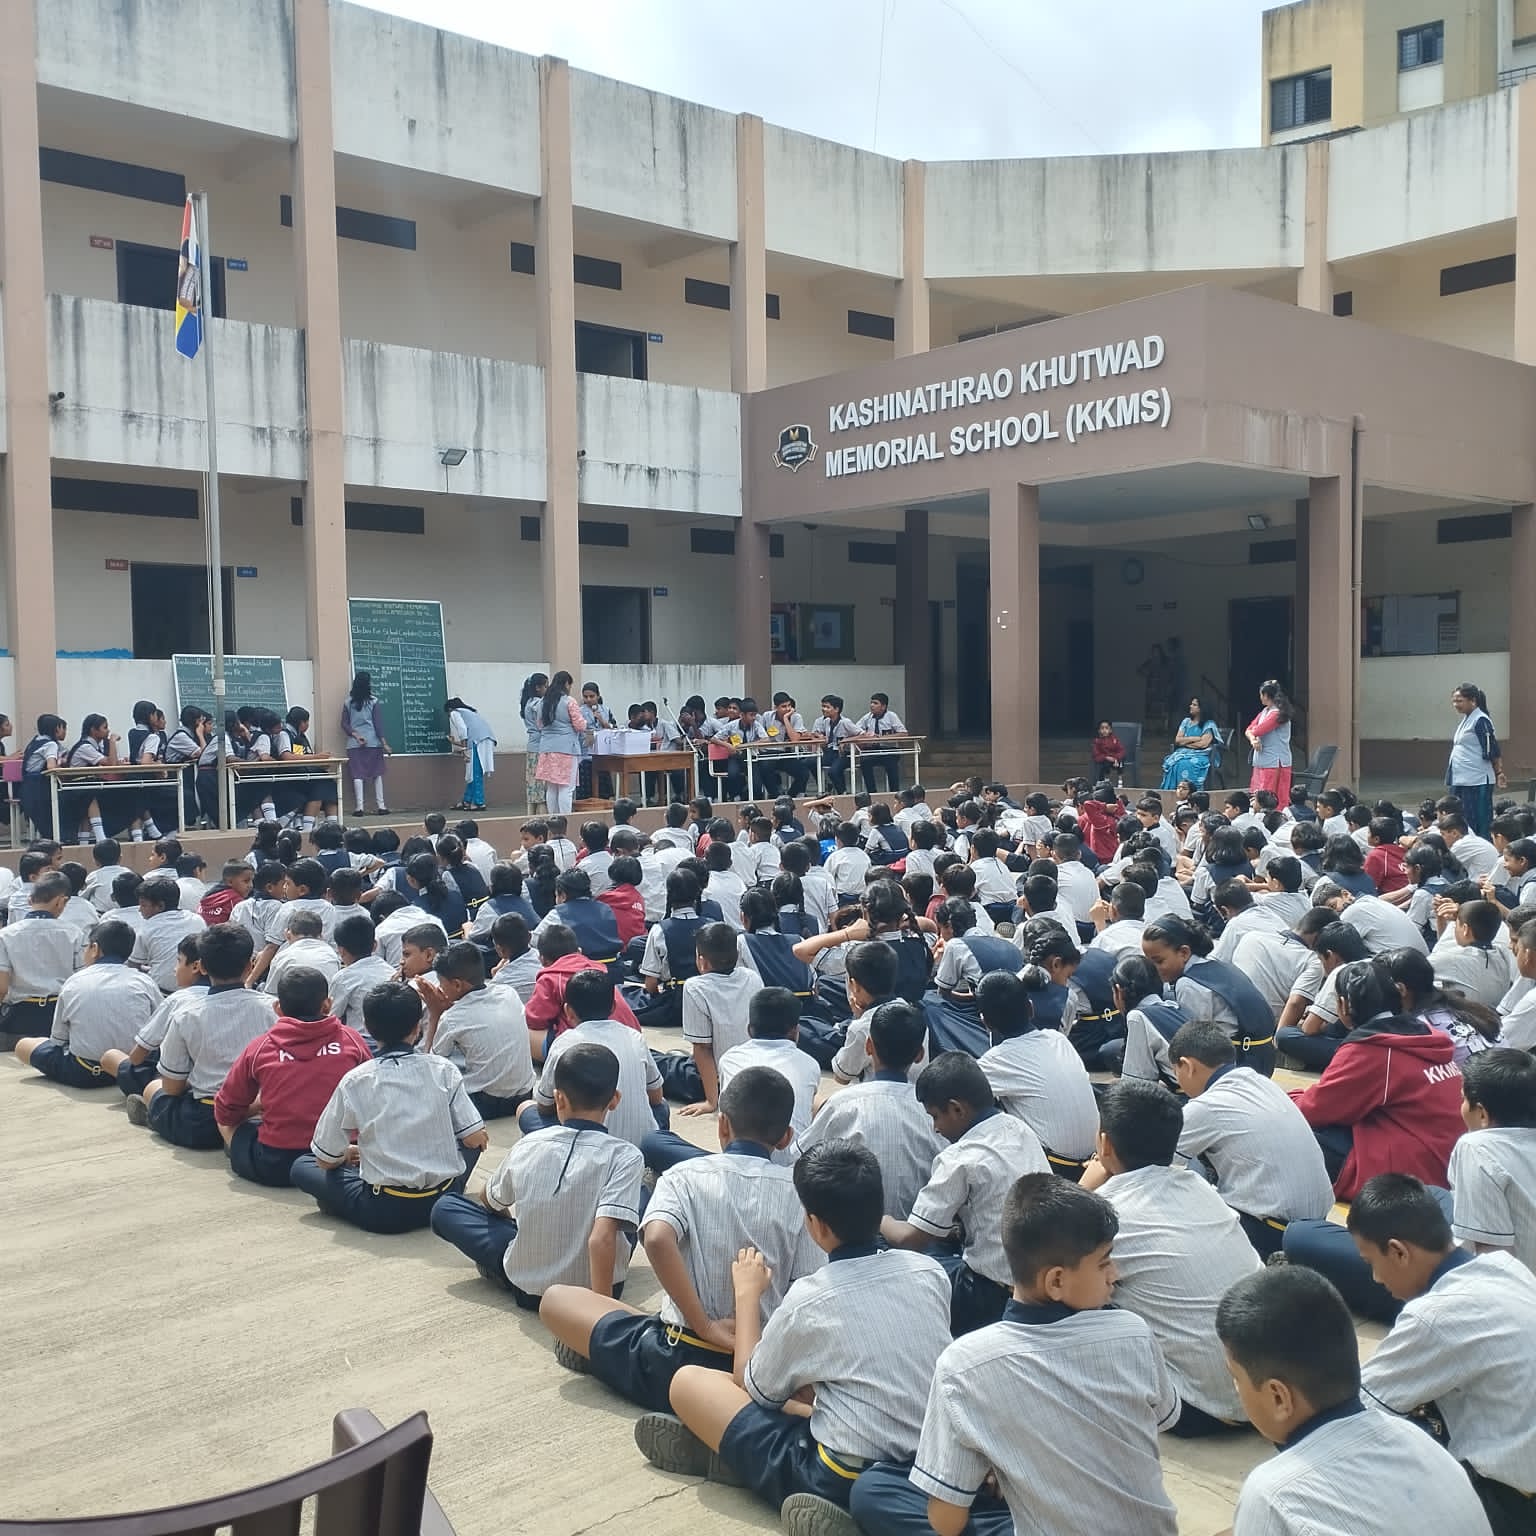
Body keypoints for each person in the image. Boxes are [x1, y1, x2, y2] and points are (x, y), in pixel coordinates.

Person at [631, 1140, 954, 1523]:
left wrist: (747, 1294)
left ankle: (751, 1469)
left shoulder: (811, 1298)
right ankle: (736, 1459)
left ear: (815, 1225)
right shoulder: (929, 1272)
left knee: (689, 1383)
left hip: (840, 1473)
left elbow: (750, 1383)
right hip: (928, 1463)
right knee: (806, 1390)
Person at [870, 1174, 1179, 1536]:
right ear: (1056, 1281)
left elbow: (946, 1523)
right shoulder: (1133, 1332)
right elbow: (1163, 1418)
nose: (1115, 1274)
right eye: (1104, 1263)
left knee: (874, 1489)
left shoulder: (965, 1365)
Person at [540, 1066, 825, 1409]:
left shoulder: (685, 1175)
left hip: (672, 1354)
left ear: (722, 1124)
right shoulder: (800, 1197)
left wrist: (704, 1325)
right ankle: (722, 1408)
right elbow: (807, 1292)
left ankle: (603, 1355)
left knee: (557, 1300)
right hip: (756, 1367)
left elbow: (657, 1238)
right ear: (785, 1137)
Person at [1215, 1266, 1493, 1536]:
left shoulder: (1271, 1495)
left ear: (1278, 1397)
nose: (1236, 1389)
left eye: (1236, 1378)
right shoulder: (1417, 1438)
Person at [1350, 1174, 1536, 1532]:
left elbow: (1360, 1408)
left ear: (1398, 1252)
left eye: (1371, 1262)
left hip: (1512, 1507)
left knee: (1358, 1448)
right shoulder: (1505, 1267)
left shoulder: (1434, 1315)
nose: (1375, 1278)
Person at [1082, 1079, 1258, 1435]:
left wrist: (1084, 1189)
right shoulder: (1198, 1186)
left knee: (1069, 1294)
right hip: (1264, 1393)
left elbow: (1046, 1245)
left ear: (1105, 1144)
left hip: (1197, 1407)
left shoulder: (1107, 1213)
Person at [291, 981, 489, 1233]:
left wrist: (349, 1154)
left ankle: (343, 1200)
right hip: (444, 1200)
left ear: (368, 1027)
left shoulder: (356, 1080)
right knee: (471, 1137)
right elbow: (475, 1138)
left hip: (385, 1210)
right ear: (417, 1027)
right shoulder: (443, 1069)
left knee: (303, 1166)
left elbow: (325, 1159)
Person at [882, 1052, 1051, 1335]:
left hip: (989, 1292)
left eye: (935, 1117)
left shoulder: (960, 1157)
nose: (935, 1128)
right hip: (1039, 1284)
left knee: (895, 1259)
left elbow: (909, 1238)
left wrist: (880, 1219)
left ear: (957, 1109)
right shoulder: (1020, 1128)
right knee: (942, 1239)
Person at [1287, 958, 1465, 1201]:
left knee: (1293, 1132)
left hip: (1412, 1177)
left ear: (1343, 1005)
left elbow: (1314, 1109)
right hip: (1446, 1163)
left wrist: (1286, 1097)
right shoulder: (1425, 1034)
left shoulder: (1373, 1049)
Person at [1170, 1019, 1335, 1258]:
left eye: (1175, 1071)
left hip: (1270, 1231)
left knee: (1179, 1181)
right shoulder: (1261, 1082)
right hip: (1315, 1223)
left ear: (1187, 1066)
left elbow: (1154, 1160)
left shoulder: (1206, 1107)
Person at [214, 965, 371, 1186]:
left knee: (227, 1121)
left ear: (278, 1008)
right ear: (327, 1005)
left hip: (276, 1162)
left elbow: (226, 1110)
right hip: (340, 1153)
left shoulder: (260, 1048)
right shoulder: (352, 1041)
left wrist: (257, 1107)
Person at [126, 924, 275, 1148]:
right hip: (262, 1112)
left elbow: (172, 1087)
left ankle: (153, 1119)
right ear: (250, 966)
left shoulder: (186, 1014)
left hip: (204, 1119)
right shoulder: (273, 1008)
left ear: (202, 967)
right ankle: (238, 1135)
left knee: (153, 1089)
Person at [974, 970, 1099, 1175]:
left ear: (986, 1022)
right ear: (1031, 1008)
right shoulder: (1058, 1039)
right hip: (1096, 1161)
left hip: (1055, 1171)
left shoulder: (995, 1061)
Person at [521, 969, 663, 1149]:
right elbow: (656, 1097)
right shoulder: (635, 1037)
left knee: (526, 1110)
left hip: (586, 1145)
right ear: (613, 1007)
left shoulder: (564, 1043)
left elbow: (545, 1105)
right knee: (662, 1108)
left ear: (568, 1011)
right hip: (639, 1145)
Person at [13, 918, 162, 1088]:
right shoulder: (144, 981)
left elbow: (58, 1040)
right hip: (135, 1070)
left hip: (86, 1072)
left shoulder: (74, 982)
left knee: (24, 1046)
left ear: (95, 949)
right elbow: (160, 1028)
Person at [1142, 914, 1277, 1075]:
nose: (1152, 969)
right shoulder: (1218, 965)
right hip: (1262, 1058)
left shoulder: (1188, 984)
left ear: (1184, 953)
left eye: (1159, 961)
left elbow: (1193, 1040)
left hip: (1240, 1064)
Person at [419, 940, 536, 1119]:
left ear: (457, 985)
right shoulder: (508, 992)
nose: (440, 989)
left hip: (485, 1105)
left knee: (433, 1074)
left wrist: (435, 1013)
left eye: (441, 983)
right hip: (525, 1095)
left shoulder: (452, 1018)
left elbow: (431, 1067)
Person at [1452, 1048, 1536, 1272]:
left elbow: (1494, 1255)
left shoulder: (1477, 1147)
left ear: (1482, 1113)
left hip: (1522, 1284)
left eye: (1463, 1099)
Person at [0, 872, 85, 1049]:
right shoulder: (74, 933)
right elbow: (81, 981)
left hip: (18, 1018)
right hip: (59, 1016)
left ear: (30, 900)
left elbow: (2, 987)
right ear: (61, 901)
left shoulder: (6, 935)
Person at [1447, 682, 1505, 839]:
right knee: (1459, 818)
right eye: (1454, 701)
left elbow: (1493, 749)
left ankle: (1483, 846)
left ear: (1472, 700)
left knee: (1478, 821)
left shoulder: (1481, 720)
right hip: (1461, 778)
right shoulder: (1467, 719)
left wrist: (1499, 772)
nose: (1455, 704)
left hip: (1476, 780)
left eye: (1459, 701)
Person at [536, 671, 588, 816]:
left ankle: (553, 818)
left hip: (547, 749)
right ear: (566, 684)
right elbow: (580, 725)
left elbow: (539, 725)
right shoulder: (569, 701)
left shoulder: (543, 702)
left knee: (552, 788)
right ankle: (565, 819)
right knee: (566, 788)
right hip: (566, 749)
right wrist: (585, 722)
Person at [340, 672, 389, 817]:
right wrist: (384, 743)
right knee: (377, 774)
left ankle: (359, 808)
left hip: (354, 744)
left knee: (357, 774)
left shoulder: (348, 702)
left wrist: (356, 735)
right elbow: (378, 725)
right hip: (373, 742)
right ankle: (381, 806)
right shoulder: (374, 701)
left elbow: (344, 724)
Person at [1245, 679, 1294, 802]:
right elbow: (1249, 729)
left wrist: (1253, 734)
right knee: (1258, 796)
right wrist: (1253, 740)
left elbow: (1258, 730)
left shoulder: (1277, 714)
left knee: (1272, 798)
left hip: (1274, 762)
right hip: (1262, 761)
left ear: (1266, 695)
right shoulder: (1265, 711)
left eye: (1261, 694)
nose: (1260, 697)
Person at [445, 696, 496, 811]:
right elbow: (468, 738)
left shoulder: (454, 713)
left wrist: (464, 750)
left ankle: (479, 802)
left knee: (475, 772)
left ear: (449, 709)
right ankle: (467, 800)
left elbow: (463, 731)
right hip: (485, 740)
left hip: (478, 742)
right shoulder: (470, 713)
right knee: (473, 773)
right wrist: (456, 743)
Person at [850, 692, 908, 793]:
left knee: (891, 764)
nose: (872, 705)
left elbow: (904, 734)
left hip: (889, 750)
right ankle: (872, 793)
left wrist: (881, 738)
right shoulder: (867, 717)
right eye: (871, 703)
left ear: (883, 706)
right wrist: (866, 736)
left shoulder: (891, 716)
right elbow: (854, 730)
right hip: (872, 749)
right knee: (864, 762)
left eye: (875, 703)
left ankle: (894, 793)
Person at [1158, 696, 1218, 791]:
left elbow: (1202, 744)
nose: (1190, 706)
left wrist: (1184, 743)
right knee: (1174, 763)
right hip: (1183, 752)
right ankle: (1174, 791)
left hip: (1202, 755)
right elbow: (1177, 740)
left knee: (1186, 764)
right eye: (1191, 704)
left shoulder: (1209, 724)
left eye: (1194, 705)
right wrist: (1195, 738)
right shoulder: (1186, 722)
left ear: (1201, 709)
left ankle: (1191, 792)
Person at [519, 672, 549, 813]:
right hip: (540, 746)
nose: (547, 689)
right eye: (546, 686)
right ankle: (541, 817)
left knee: (532, 786)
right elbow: (543, 723)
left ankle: (530, 815)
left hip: (532, 746)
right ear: (538, 688)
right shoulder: (538, 704)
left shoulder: (528, 702)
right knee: (541, 788)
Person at [1089, 718, 1124, 784]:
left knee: (1121, 762)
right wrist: (1106, 757)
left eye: (1106, 728)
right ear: (1099, 730)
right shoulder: (1097, 741)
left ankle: (1120, 779)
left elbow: (1121, 750)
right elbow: (1096, 754)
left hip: (1115, 760)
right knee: (1104, 764)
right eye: (1102, 728)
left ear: (1110, 730)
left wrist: (1116, 758)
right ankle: (1104, 780)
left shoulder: (1114, 740)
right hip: (1103, 760)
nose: (1104, 730)